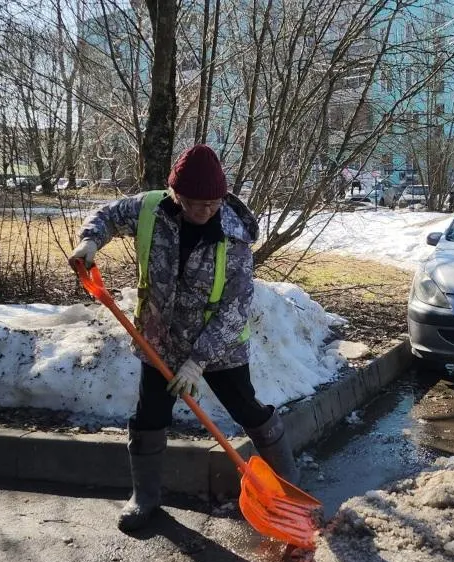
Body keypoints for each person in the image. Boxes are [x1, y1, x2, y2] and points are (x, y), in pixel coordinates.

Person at [69, 145, 300, 532]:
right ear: (177, 195)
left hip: (219, 346)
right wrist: (90, 240)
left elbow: (236, 307)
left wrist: (198, 361)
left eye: (212, 203)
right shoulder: (150, 210)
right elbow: (108, 215)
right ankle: (144, 499)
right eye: (195, 203)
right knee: (149, 415)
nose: (205, 211)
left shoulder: (235, 236)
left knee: (248, 410)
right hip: (158, 339)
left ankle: (291, 489)